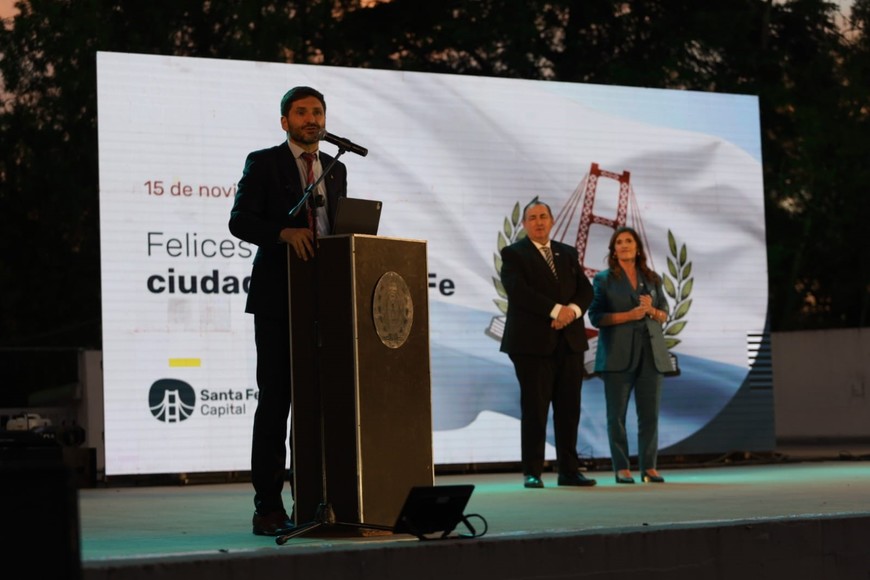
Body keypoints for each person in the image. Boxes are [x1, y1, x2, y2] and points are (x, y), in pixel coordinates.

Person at [228, 86, 348, 535]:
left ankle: (314, 501)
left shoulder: (336, 169)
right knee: (276, 403)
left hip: (326, 300)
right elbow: (239, 219)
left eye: (318, 111)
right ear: (285, 122)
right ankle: (268, 506)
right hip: (279, 298)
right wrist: (283, 232)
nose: (311, 118)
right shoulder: (264, 162)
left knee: (317, 405)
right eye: (302, 112)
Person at [499, 200, 597, 489]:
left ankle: (569, 470)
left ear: (552, 221)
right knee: (535, 408)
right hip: (531, 345)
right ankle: (533, 471)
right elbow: (519, 292)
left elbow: (585, 290)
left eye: (543, 216)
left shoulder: (566, 253)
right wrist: (557, 311)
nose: (539, 222)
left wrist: (572, 313)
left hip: (569, 343)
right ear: (525, 224)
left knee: (569, 409)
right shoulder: (514, 253)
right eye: (532, 218)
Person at [587, 226, 672, 484]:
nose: (624, 245)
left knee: (650, 415)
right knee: (617, 415)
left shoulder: (653, 278)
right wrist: (629, 315)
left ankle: (649, 467)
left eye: (629, 241)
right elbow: (596, 317)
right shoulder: (603, 279)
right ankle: (622, 467)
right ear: (614, 250)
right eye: (619, 242)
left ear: (637, 248)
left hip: (651, 354)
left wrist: (650, 311)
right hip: (617, 355)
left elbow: (664, 313)